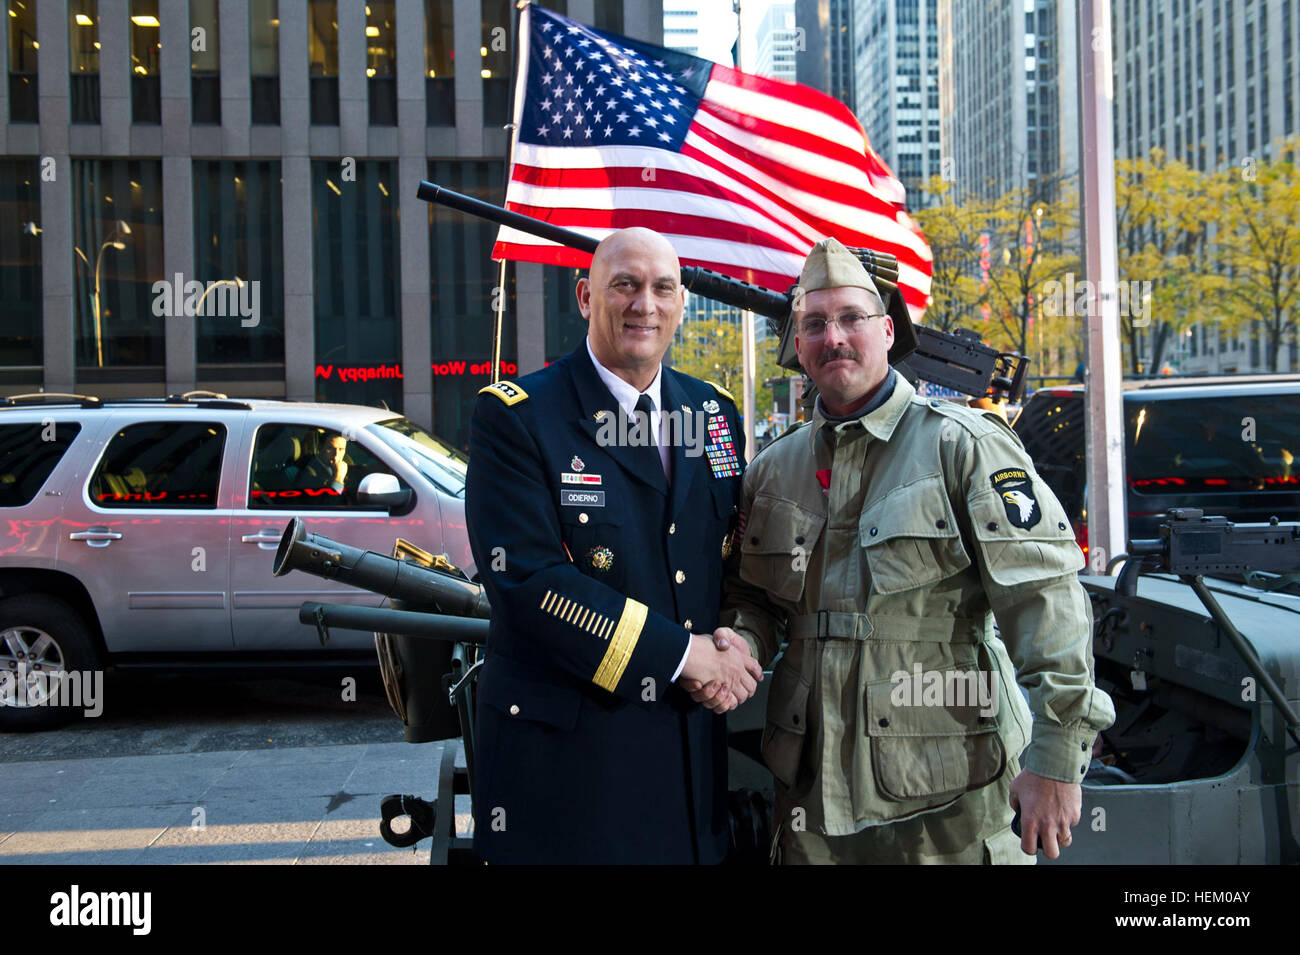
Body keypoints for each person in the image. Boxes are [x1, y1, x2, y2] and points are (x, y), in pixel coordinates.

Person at [696, 238, 1115, 864]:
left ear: (887, 330)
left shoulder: (964, 446)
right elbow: (754, 598)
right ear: (798, 344)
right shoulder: (773, 469)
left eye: (851, 319)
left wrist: (1058, 756)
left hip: (949, 796)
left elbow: (1044, 598)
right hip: (814, 797)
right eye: (814, 324)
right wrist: (740, 645)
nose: (833, 337)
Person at [464, 227, 764, 864]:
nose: (644, 305)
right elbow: (528, 582)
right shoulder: (519, 416)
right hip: (574, 778)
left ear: (681, 302)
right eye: (624, 285)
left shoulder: (712, 412)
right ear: (584, 296)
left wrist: (735, 644)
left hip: (688, 768)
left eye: (662, 288)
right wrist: (684, 656)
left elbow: (729, 561)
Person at [294, 431, 350, 500]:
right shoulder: (307, 471)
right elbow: (331, 503)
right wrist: (338, 479)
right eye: (330, 448)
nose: (336, 454)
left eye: (341, 449)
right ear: (320, 448)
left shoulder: (346, 465)